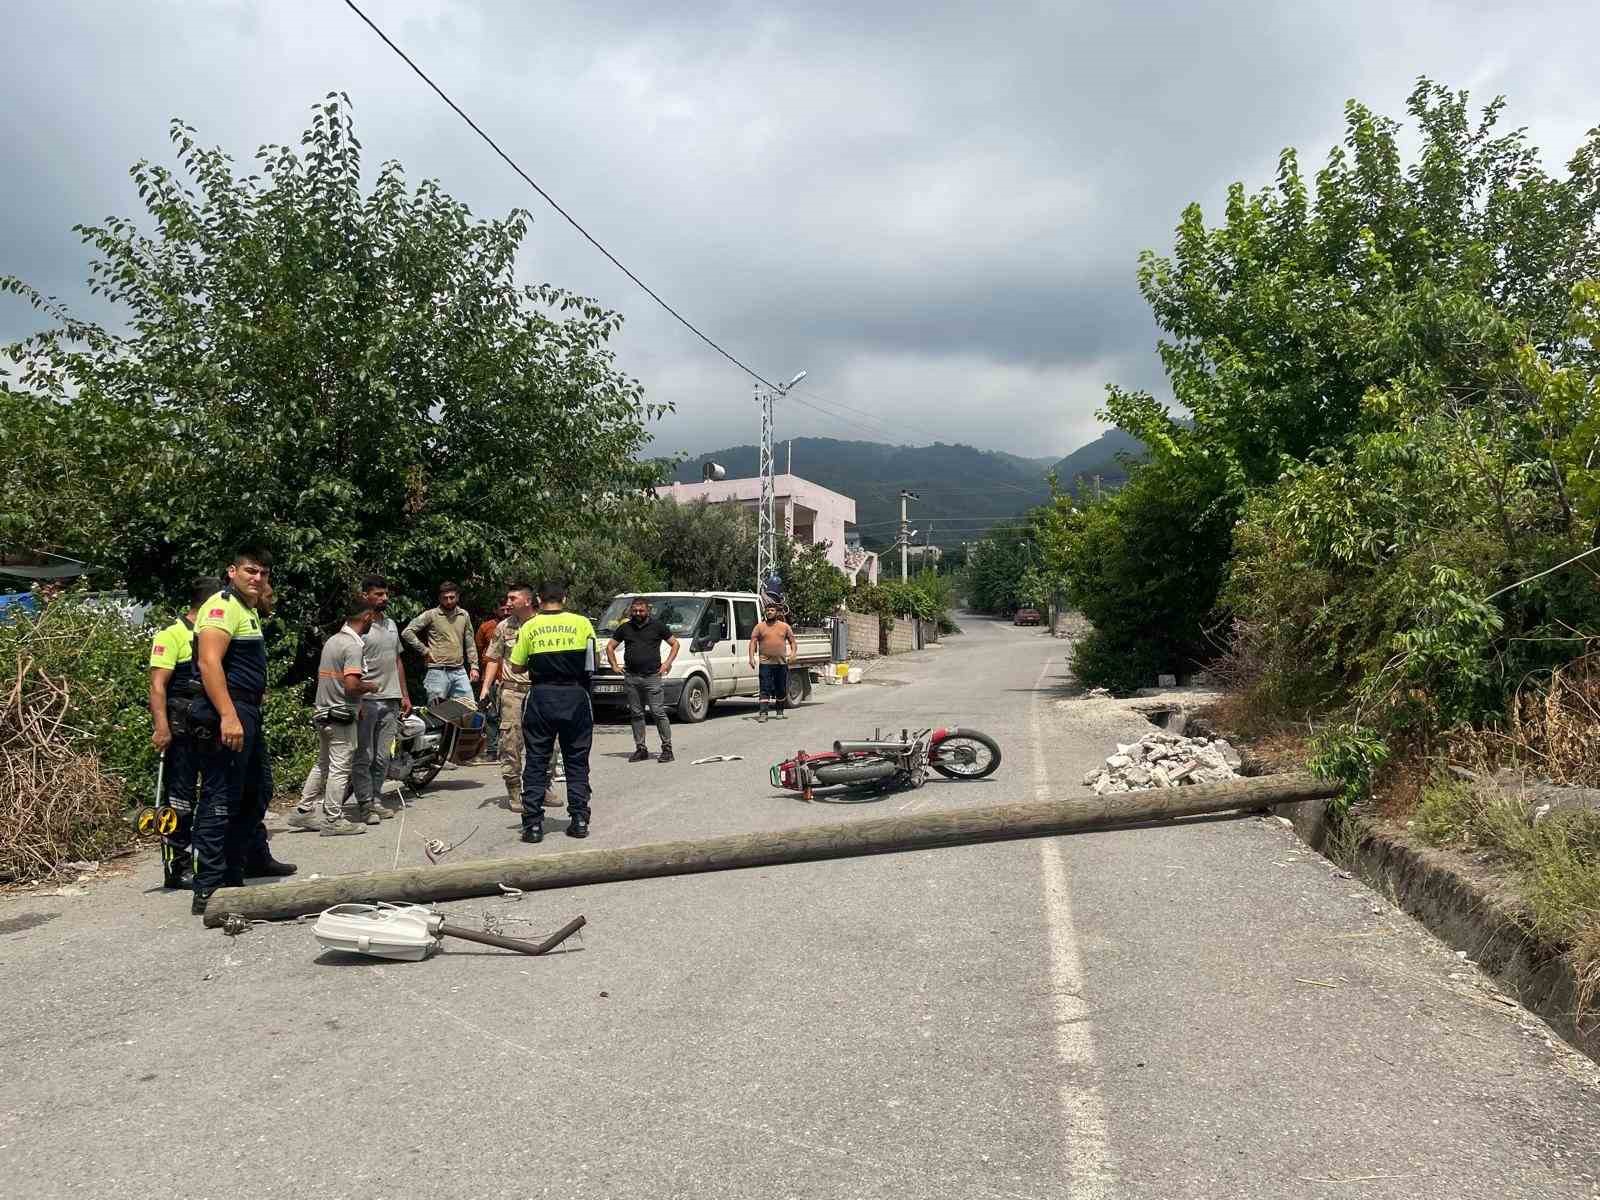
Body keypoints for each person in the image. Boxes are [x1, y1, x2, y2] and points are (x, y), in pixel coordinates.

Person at [190, 548, 277, 915]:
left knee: (256, 790)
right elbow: (208, 662)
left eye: (262, 573)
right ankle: (208, 889)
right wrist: (228, 715)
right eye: (250, 571)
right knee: (220, 798)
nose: (256, 578)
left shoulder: (247, 609)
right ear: (232, 572)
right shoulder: (220, 605)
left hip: (246, 708)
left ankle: (233, 872)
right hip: (227, 711)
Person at [508, 580, 597, 843]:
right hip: (575, 696)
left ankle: (533, 825)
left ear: (539, 599)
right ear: (565, 599)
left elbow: (515, 666)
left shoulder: (530, 626)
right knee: (576, 761)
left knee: (536, 760)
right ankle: (579, 820)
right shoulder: (582, 624)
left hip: (541, 697)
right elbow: (594, 663)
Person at [147, 576, 217, 890]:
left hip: (208, 726)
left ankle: (208, 859)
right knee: (180, 799)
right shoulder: (171, 635)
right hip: (180, 728)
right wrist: (161, 726)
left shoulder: (210, 636)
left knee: (213, 795)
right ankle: (176, 867)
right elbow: (157, 686)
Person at [289, 596, 380, 834]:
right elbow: (351, 685)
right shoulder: (353, 646)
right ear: (367, 616)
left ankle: (303, 812)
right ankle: (333, 820)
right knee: (340, 768)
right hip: (341, 715)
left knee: (323, 764)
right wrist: (370, 687)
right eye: (372, 617)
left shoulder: (333, 641)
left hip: (323, 712)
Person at [480, 583, 559, 812]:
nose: (508, 602)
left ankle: (542, 786)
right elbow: (493, 659)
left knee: (548, 742)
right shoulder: (504, 627)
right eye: (507, 598)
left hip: (542, 691)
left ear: (527, 600)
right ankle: (514, 790)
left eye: (512, 598)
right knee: (511, 742)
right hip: (512, 692)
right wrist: (485, 688)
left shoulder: (545, 624)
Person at [351, 575, 411, 817]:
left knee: (383, 756)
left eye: (386, 594)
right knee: (364, 755)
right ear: (365, 595)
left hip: (391, 699)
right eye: (378, 594)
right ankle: (364, 803)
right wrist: (356, 699)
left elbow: (397, 660)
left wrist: (404, 694)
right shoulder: (358, 627)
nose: (384, 598)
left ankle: (376, 798)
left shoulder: (391, 625)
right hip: (367, 701)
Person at [606, 597, 680, 763]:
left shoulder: (658, 626)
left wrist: (667, 663)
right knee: (637, 714)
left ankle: (667, 749)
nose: (638, 613)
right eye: (635, 611)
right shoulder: (625, 627)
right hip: (632, 677)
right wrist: (614, 666)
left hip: (652, 676)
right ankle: (641, 749)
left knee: (658, 712)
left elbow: (675, 644)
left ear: (648, 610)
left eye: (641, 611)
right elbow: (610, 646)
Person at [402, 581, 479, 706]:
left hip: (459, 670)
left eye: (452, 597)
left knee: (469, 708)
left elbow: (470, 641)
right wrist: (424, 650)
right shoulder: (431, 614)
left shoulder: (464, 615)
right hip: (437, 671)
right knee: (436, 712)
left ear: (457, 597)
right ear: (440, 598)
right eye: (445, 598)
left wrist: (474, 666)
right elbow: (407, 632)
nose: (449, 601)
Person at [749, 602, 798, 722]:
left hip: (781, 663)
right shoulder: (759, 627)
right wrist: (751, 657)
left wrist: (793, 654)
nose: (769, 612)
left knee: (780, 688)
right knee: (764, 688)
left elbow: (792, 641)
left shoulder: (784, 627)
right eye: (768, 610)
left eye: (772, 610)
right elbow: (753, 642)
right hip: (765, 663)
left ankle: (780, 711)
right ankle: (763, 713)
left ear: (776, 612)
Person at [476, 600, 507, 761]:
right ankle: (492, 750)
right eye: (501, 609)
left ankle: (508, 750)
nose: (505, 611)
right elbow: (482, 652)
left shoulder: (519, 625)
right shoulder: (486, 627)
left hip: (510, 679)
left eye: (506, 608)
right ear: (495, 609)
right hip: (492, 679)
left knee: (509, 716)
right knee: (492, 715)